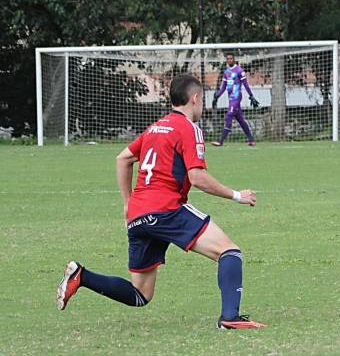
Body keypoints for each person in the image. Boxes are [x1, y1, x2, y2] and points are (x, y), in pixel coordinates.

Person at [56, 74, 266, 329]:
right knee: (229, 252)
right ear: (195, 98)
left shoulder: (155, 127)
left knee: (140, 294)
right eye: (202, 100)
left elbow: (122, 159)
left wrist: (127, 202)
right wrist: (236, 195)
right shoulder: (188, 128)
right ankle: (230, 318)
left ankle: (82, 276)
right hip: (166, 210)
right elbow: (197, 177)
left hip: (138, 214)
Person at [211, 53, 259, 147]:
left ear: (234, 59)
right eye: (227, 59)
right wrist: (217, 96)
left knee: (228, 116)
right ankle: (251, 140)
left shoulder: (239, 71)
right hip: (231, 99)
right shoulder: (226, 72)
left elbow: (245, 84)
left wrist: (251, 96)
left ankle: (220, 141)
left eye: (231, 58)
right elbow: (223, 87)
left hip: (236, 98)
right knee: (241, 120)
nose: (229, 60)